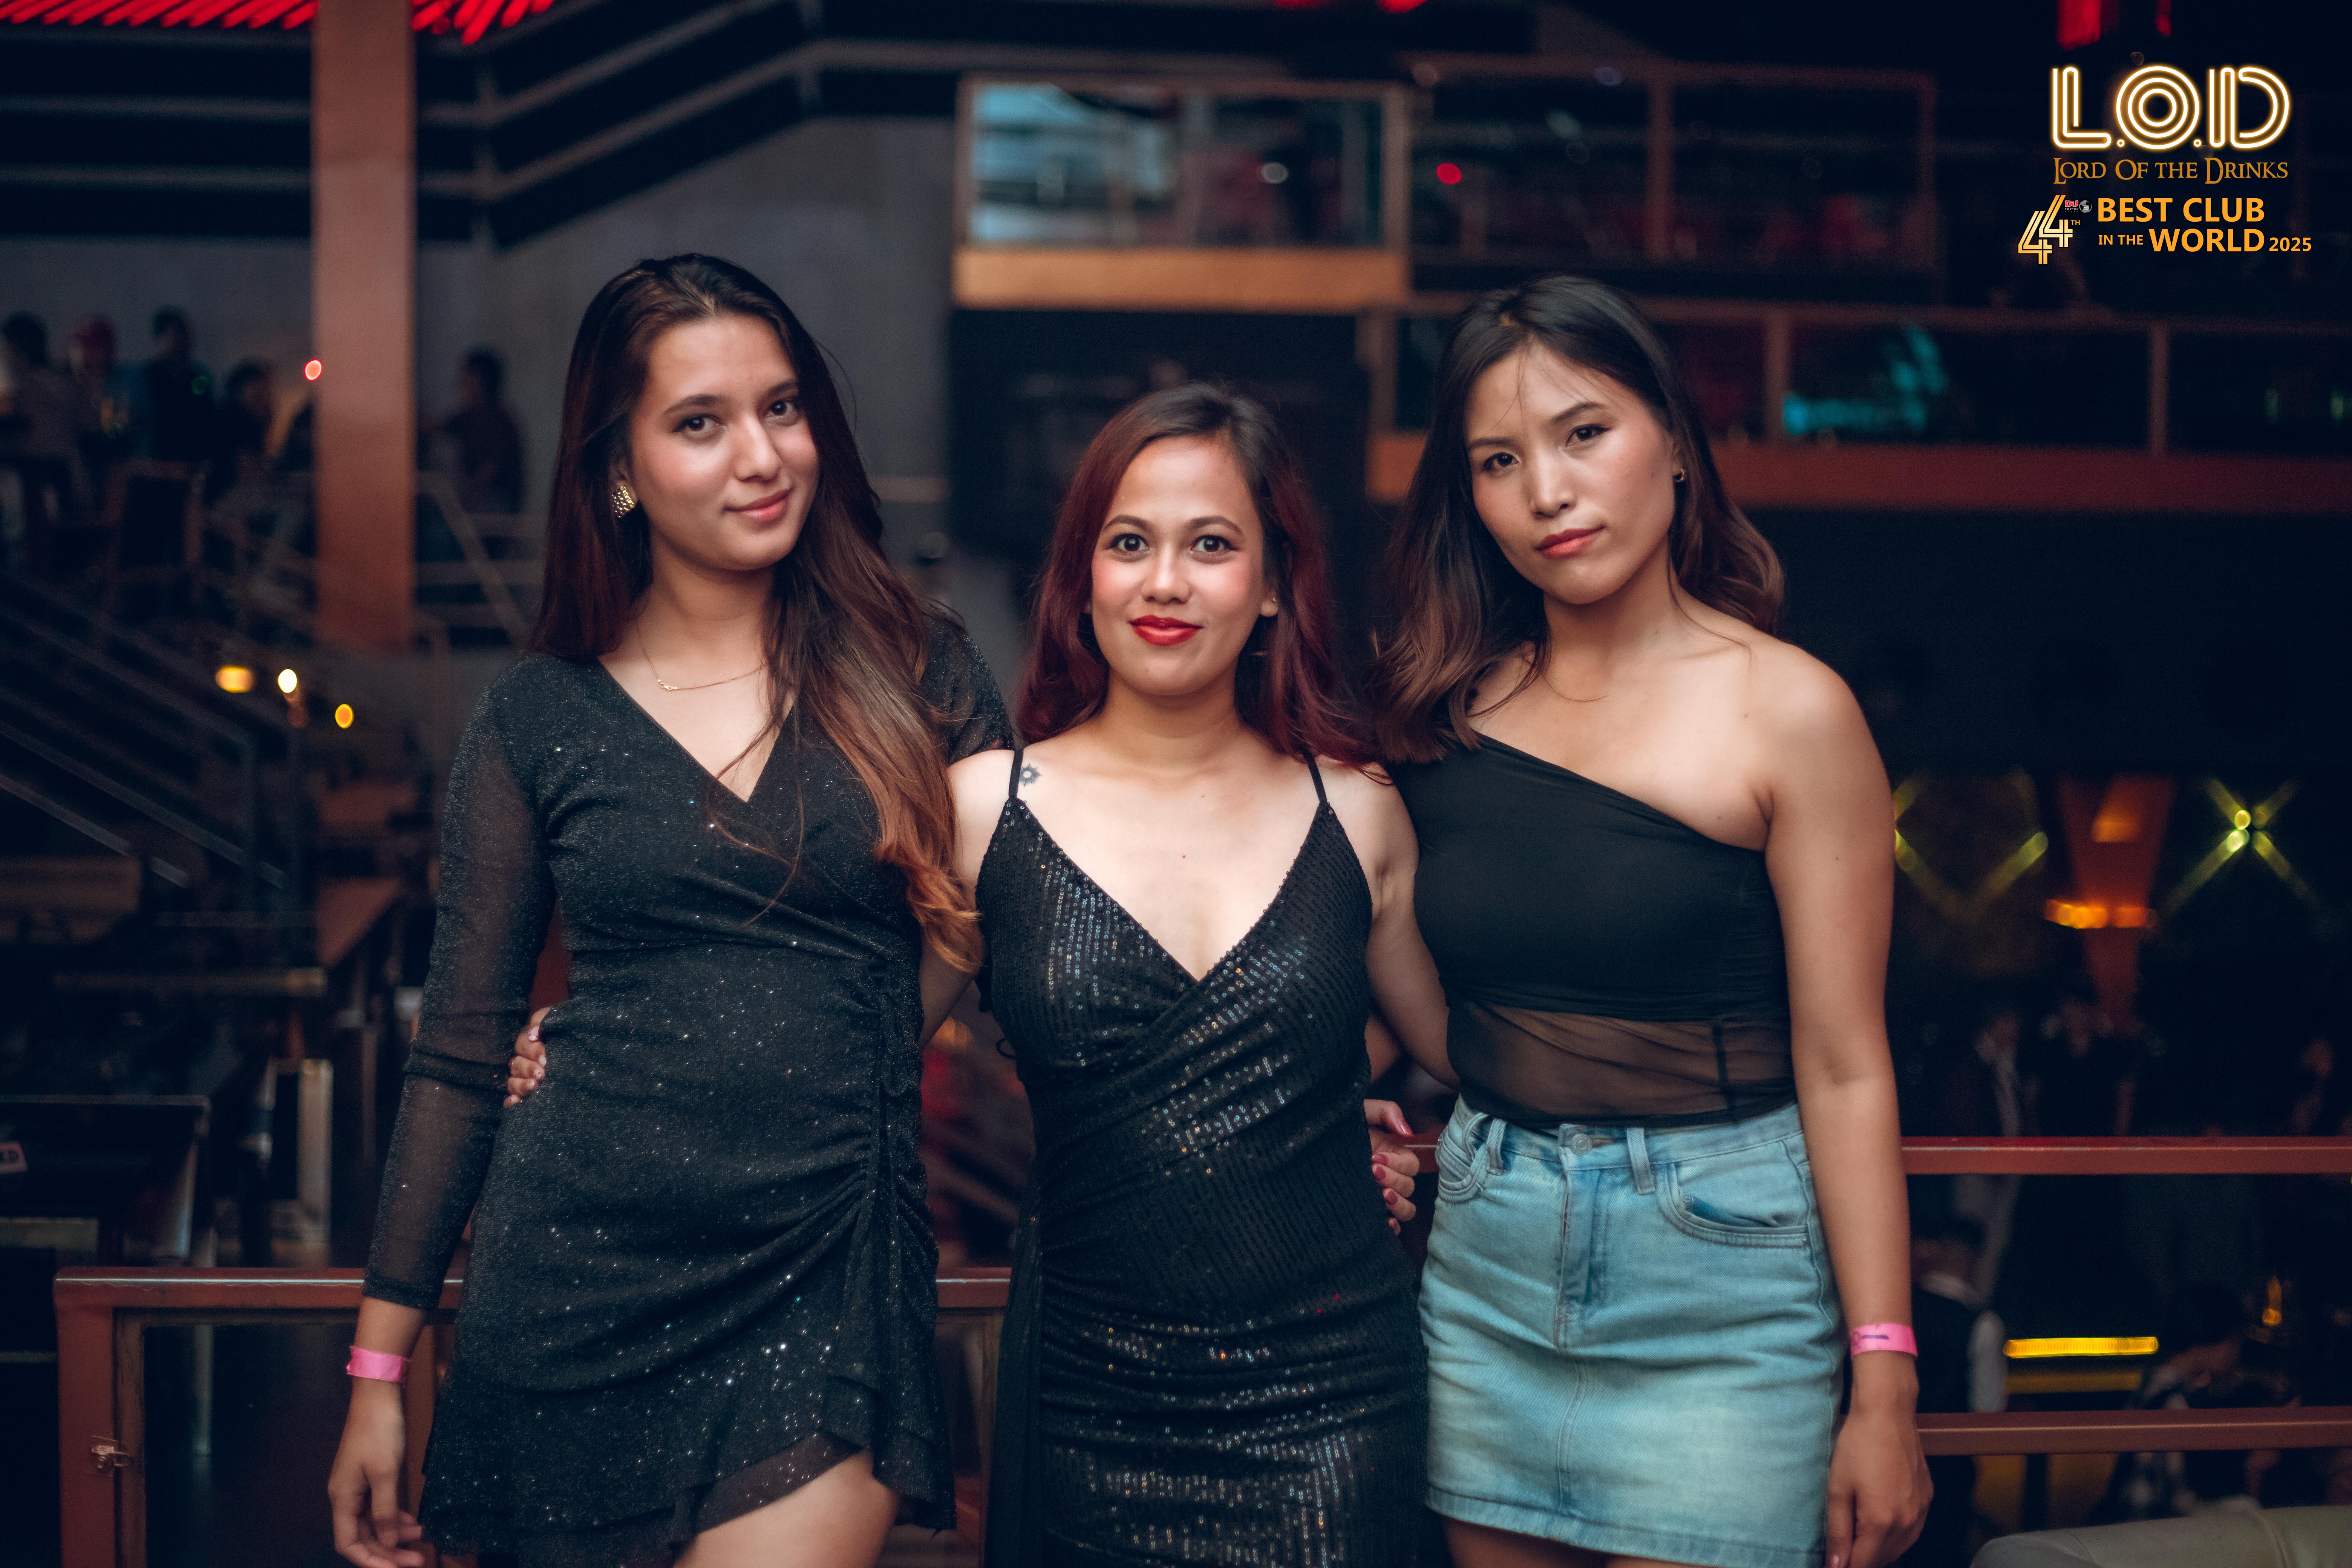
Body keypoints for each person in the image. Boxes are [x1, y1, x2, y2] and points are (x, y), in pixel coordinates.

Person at [513, 383, 1436, 1563]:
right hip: (1089, 1400)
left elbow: (1480, 1053)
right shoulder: (988, 808)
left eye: (1211, 545)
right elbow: (839, 1053)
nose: (1164, 582)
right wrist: (600, 1051)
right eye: (1128, 543)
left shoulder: (1358, 812)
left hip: (1337, 1401)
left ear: (1271, 584)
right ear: (1082, 576)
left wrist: (1333, 1114)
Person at [326, 254, 1013, 1568]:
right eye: (702, 422)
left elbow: (1025, 930)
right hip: (568, 1281)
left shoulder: (917, 670)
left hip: (826, 1271)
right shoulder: (537, 717)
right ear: (619, 472)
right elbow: (460, 1049)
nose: (762, 455)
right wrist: (376, 1374)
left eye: (782, 408)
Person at [1372, 274, 1930, 1568]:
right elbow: (1431, 1012)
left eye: (1584, 433)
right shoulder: (1444, 718)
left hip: (1724, 1290)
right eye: (1498, 461)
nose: (1547, 492)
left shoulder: (1790, 710)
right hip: (1488, 1270)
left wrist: (1885, 1380)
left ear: (1674, 440)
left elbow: (1846, 1065)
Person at [1907, 1215, 2004, 1568]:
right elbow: (1988, 1409)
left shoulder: (1898, 1311)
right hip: (1949, 1474)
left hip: (1892, 1455)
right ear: (1975, 1259)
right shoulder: (1982, 1324)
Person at [0, 311, 93, 574]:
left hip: (43, 494)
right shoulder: (64, 380)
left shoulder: (24, 387)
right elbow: (91, 426)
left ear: (15, 348)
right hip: (73, 488)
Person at [431, 346, 526, 513]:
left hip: (495, 509)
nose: (461, 389)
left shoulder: (498, 422)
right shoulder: (470, 417)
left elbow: (489, 472)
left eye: (467, 382)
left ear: (482, 384)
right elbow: (437, 425)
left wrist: (464, 499)